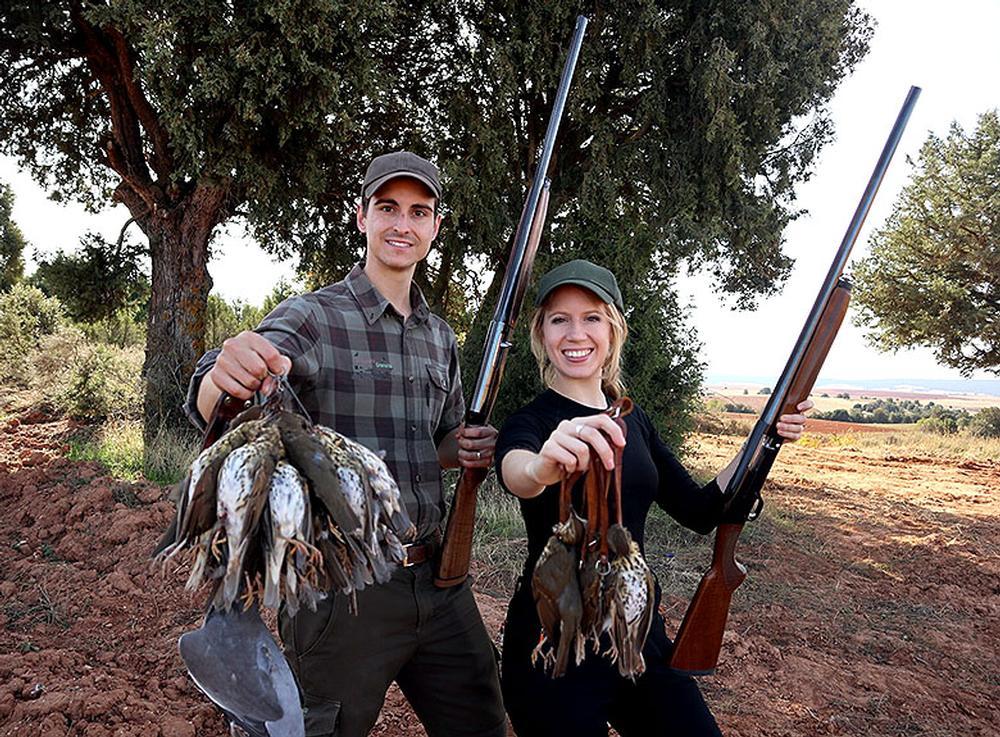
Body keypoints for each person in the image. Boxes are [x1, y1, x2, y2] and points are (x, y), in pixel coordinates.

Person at [184, 151, 506, 737]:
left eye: (418, 212)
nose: (402, 224)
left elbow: (439, 443)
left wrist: (466, 447)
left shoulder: (440, 338)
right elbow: (217, 393)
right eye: (388, 209)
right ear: (362, 218)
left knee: (483, 722)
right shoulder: (315, 316)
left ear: (435, 227)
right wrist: (224, 375)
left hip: (440, 584)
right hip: (342, 590)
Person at [494, 260, 812, 736]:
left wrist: (762, 440)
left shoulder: (633, 419)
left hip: (636, 639)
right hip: (553, 651)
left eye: (592, 317)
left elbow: (700, 509)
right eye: (560, 319)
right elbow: (517, 471)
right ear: (543, 332)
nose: (575, 332)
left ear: (613, 329)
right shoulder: (534, 422)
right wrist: (543, 465)